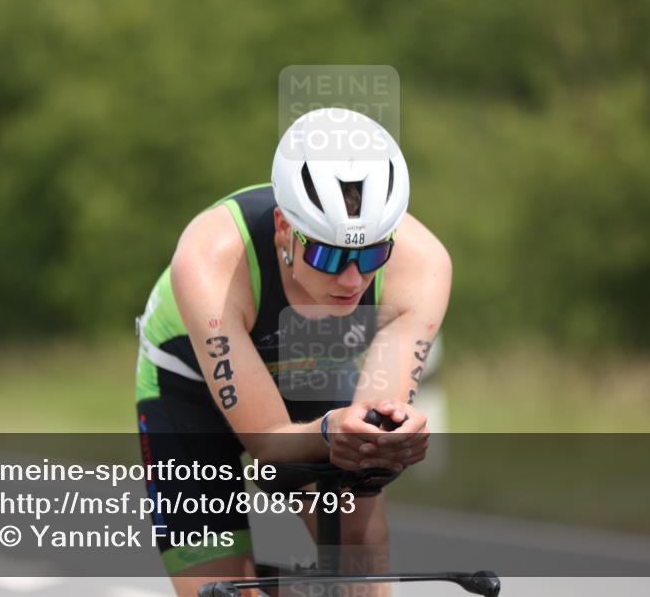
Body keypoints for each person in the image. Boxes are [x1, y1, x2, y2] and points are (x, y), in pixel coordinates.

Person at [134, 108, 452, 597]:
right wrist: (330, 431)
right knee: (215, 587)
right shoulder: (211, 256)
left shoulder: (422, 263)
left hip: (313, 371)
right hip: (190, 385)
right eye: (327, 254)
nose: (352, 280)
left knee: (359, 551)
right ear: (284, 228)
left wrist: (385, 438)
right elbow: (268, 443)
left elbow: (370, 421)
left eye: (370, 254)